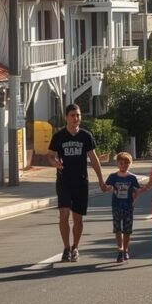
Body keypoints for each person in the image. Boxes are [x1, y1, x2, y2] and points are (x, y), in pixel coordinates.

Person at [46, 104, 105, 262]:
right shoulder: (59, 136)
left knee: (78, 218)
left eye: (78, 115)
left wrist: (101, 180)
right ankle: (66, 248)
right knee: (64, 214)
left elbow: (93, 159)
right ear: (66, 117)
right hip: (64, 181)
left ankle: (75, 247)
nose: (76, 118)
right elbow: (50, 155)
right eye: (72, 115)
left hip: (81, 182)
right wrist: (55, 163)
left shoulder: (86, 136)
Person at [104, 152, 140, 263]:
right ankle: (120, 250)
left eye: (126, 163)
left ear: (130, 164)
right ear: (117, 164)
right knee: (117, 229)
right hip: (116, 206)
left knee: (127, 230)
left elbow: (136, 191)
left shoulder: (132, 178)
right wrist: (108, 187)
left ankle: (125, 249)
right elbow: (106, 187)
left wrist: (134, 200)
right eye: (121, 163)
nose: (123, 165)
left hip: (128, 206)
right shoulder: (112, 177)